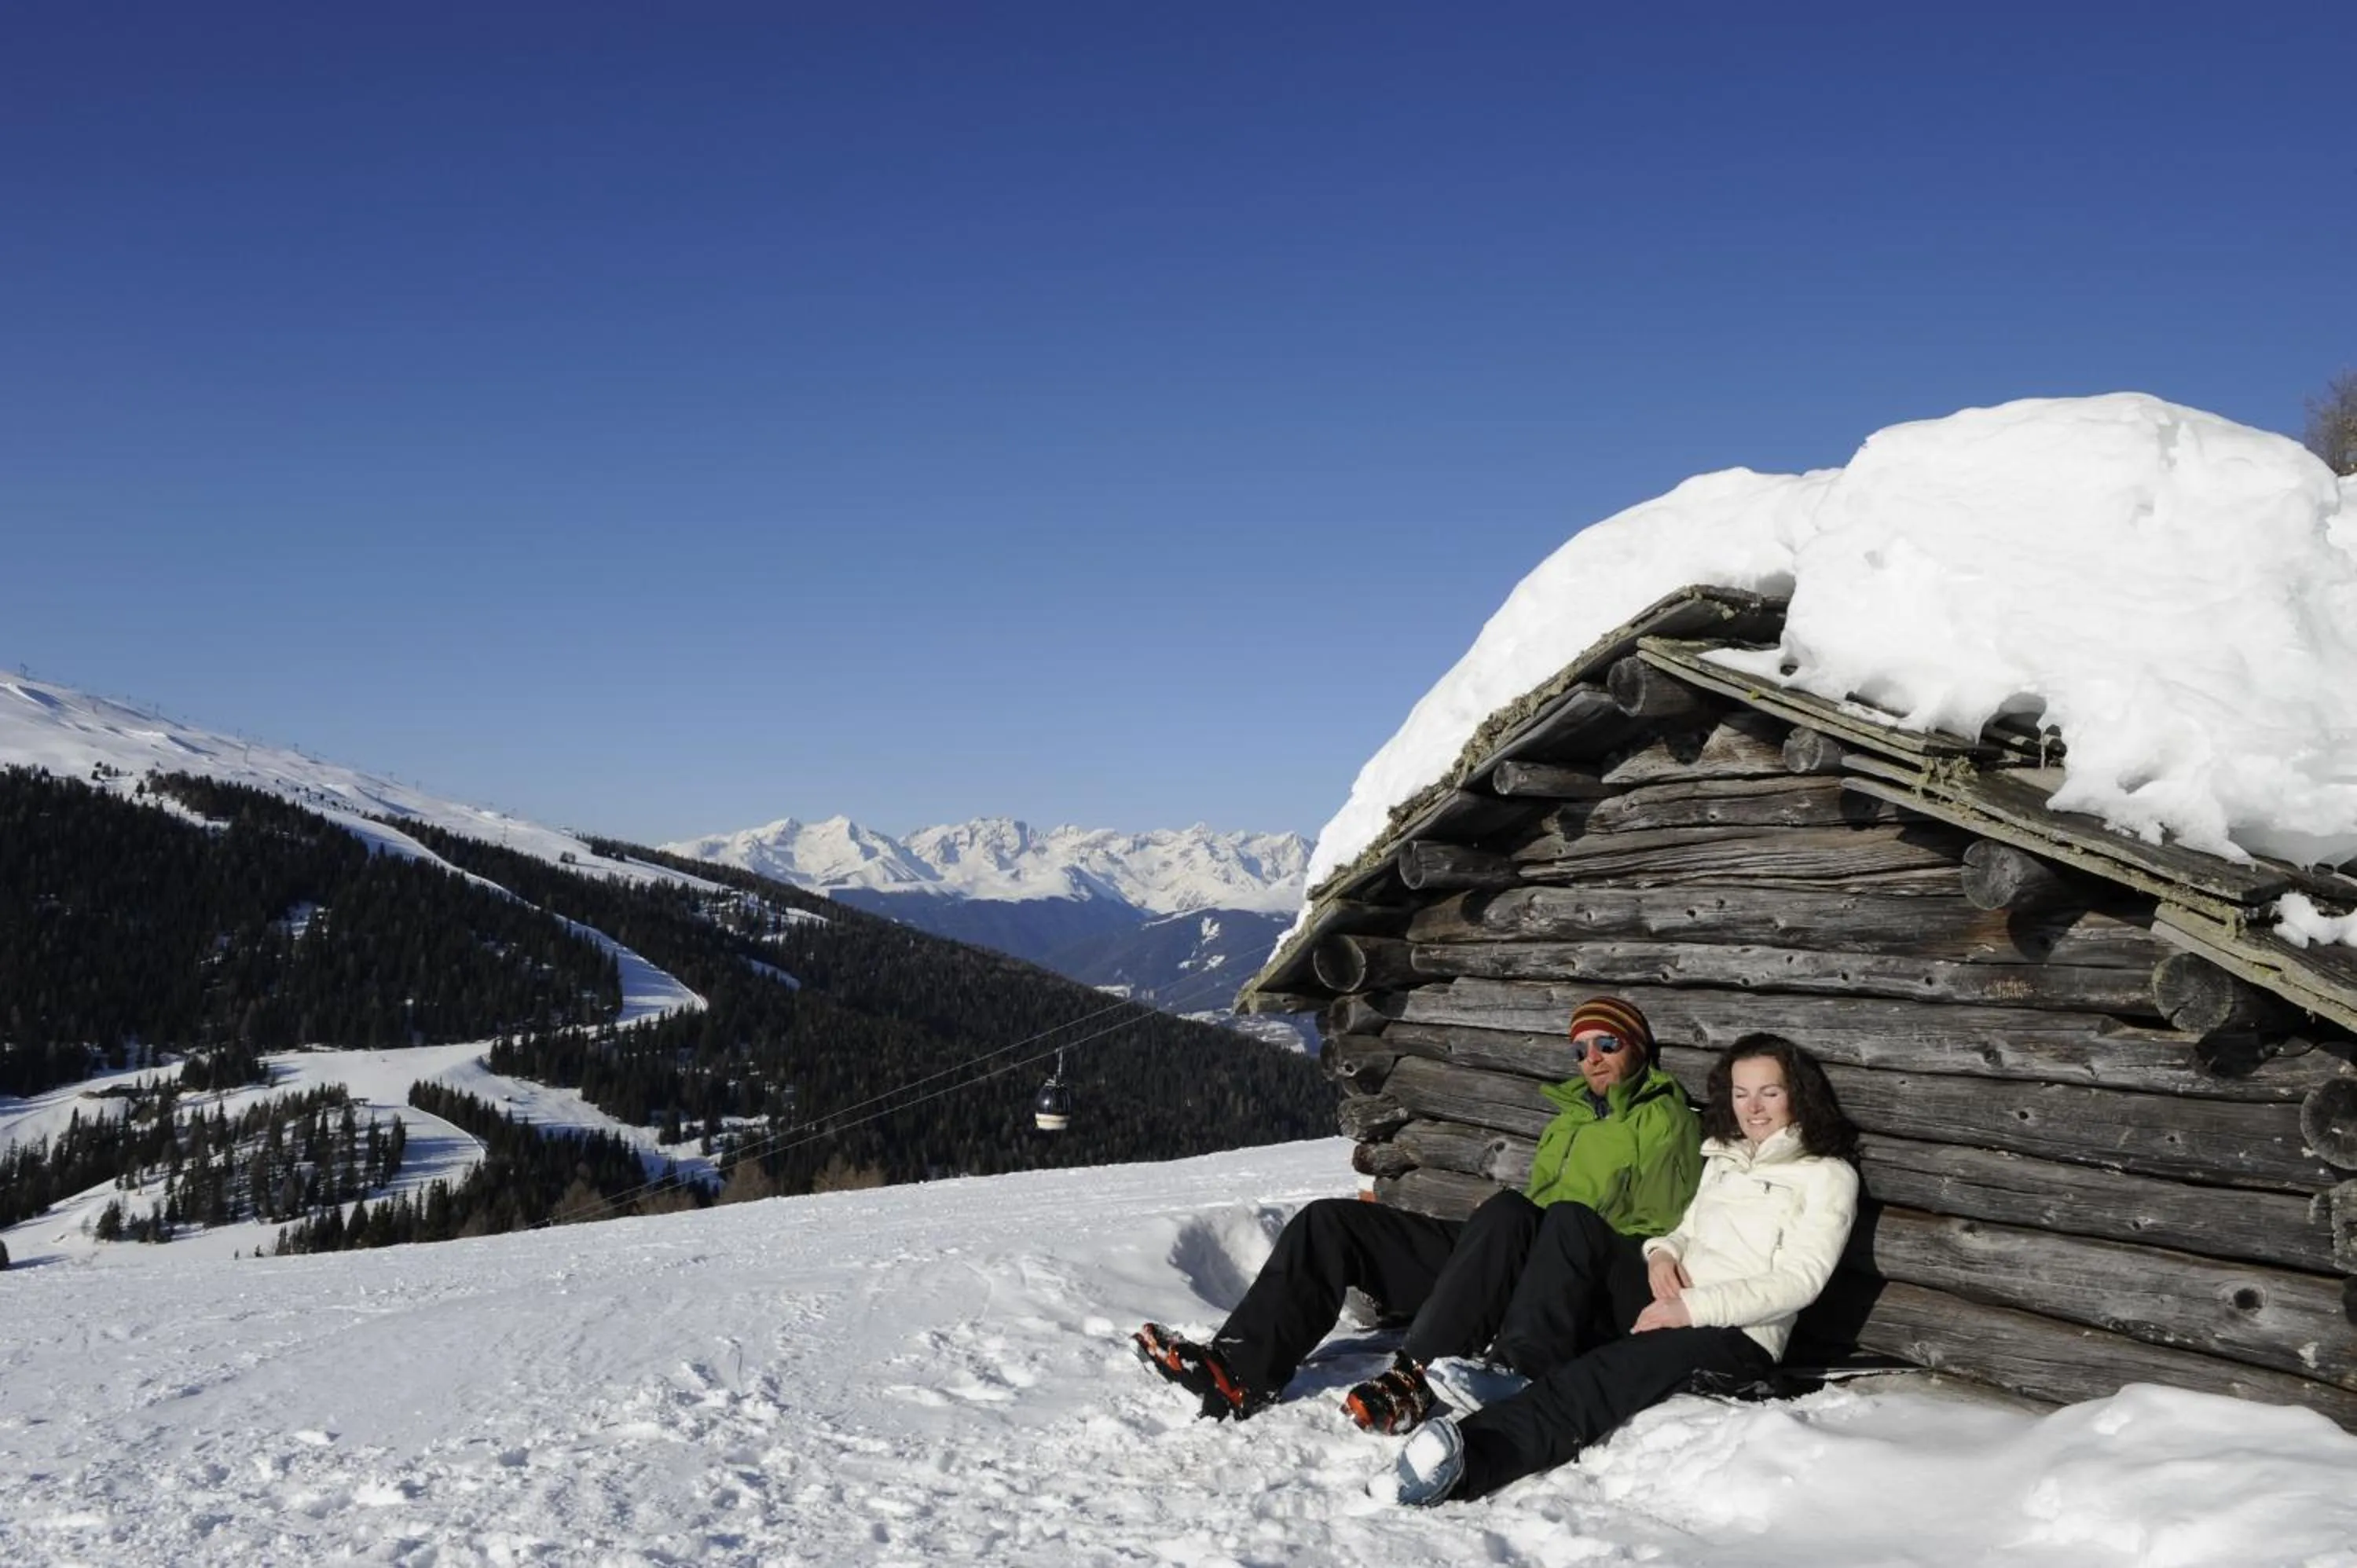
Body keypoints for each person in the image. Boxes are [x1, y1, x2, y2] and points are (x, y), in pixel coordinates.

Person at [1135, 995, 1703, 1430]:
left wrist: (1549, 1243)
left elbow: (1658, 1225)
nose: (1592, 1059)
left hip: (1572, 1277)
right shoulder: (1570, 1118)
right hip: (1511, 1255)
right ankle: (1237, 1371)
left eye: (1607, 1043)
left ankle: (1415, 1377)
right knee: (1331, 1223)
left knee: (1509, 1212)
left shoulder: (1665, 1121)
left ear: (1636, 1047)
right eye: (1580, 1050)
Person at [1376, 1031, 1860, 1506]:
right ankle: (1520, 1368)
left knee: (1604, 1374)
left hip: (1739, 1336)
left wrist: (1690, 1309)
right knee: (1571, 1220)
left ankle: (1469, 1462)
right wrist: (1662, 1254)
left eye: (1769, 1093)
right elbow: (1686, 1230)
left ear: (1798, 1094)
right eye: (1741, 1093)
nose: (1753, 1107)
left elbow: (1800, 1282)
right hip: (1677, 1301)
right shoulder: (1726, 1157)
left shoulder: (1827, 1175)